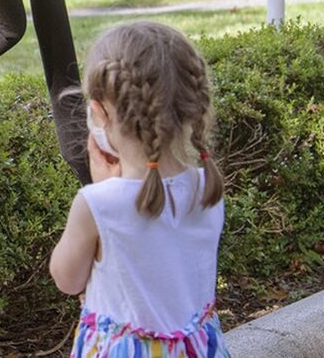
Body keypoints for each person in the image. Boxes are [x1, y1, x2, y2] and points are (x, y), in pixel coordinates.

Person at [49, 22, 228, 357]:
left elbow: (67, 279)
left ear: (99, 112)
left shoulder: (97, 203)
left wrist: (103, 188)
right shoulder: (207, 188)